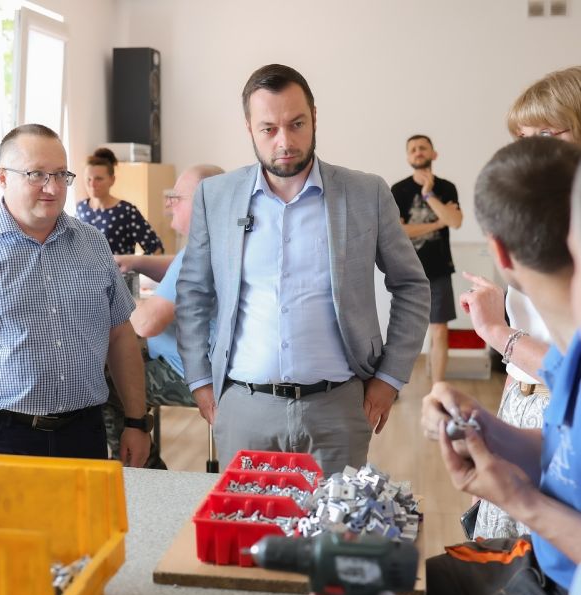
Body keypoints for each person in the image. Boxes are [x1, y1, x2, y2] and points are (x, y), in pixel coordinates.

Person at [176, 63, 430, 476]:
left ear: (314, 117)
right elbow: (192, 293)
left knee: (335, 521)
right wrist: (200, 382)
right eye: (269, 129)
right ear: (249, 129)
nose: (285, 141)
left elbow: (411, 286)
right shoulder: (215, 196)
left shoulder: (366, 193)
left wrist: (390, 378)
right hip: (243, 408)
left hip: (338, 408)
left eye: (297, 124)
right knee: (246, 521)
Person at [421, 136, 581, 595]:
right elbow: (564, 453)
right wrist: (484, 428)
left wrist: (518, 499)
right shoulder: (569, 357)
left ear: (500, 253)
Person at [0, 124, 150, 466]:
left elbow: (120, 334)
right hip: (0, 435)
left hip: (84, 431)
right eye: (36, 174)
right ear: (1, 177)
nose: (53, 187)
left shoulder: (93, 242)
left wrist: (136, 421)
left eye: (61, 174)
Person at [460, 65, 581, 540]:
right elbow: (520, 368)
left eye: (547, 135)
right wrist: (492, 441)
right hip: (523, 405)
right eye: (523, 138)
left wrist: (497, 333)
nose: (531, 151)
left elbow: (571, 369)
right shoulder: (537, 221)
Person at [103, 164, 224, 468]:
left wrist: (116, 302)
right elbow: (177, 267)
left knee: (106, 382)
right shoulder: (223, 240)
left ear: (204, 202)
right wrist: (136, 262)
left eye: (177, 198)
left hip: (194, 378)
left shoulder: (197, 252)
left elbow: (146, 323)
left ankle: (144, 470)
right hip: (224, 371)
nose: (169, 205)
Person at [391, 135, 462, 383]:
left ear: (434, 154)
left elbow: (455, 221)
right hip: (407, 270)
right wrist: (438, 223)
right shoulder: (398, 190)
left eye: (423, 148)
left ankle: (438, 389)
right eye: (412, 149)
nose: (418, 152)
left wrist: (428, 194)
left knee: (440, 330)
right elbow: (400, 231)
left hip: (439, 268)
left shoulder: (446, 188)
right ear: (408, 157)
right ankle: (393, 386)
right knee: (403, 333)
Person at [76, 147, 164, 255]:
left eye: (99, 179)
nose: (92, 184)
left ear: (112, 180)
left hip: (118, 266)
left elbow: (155, 248)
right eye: (88, 179)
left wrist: (134, 264)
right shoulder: (81, 208)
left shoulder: (126, 211)